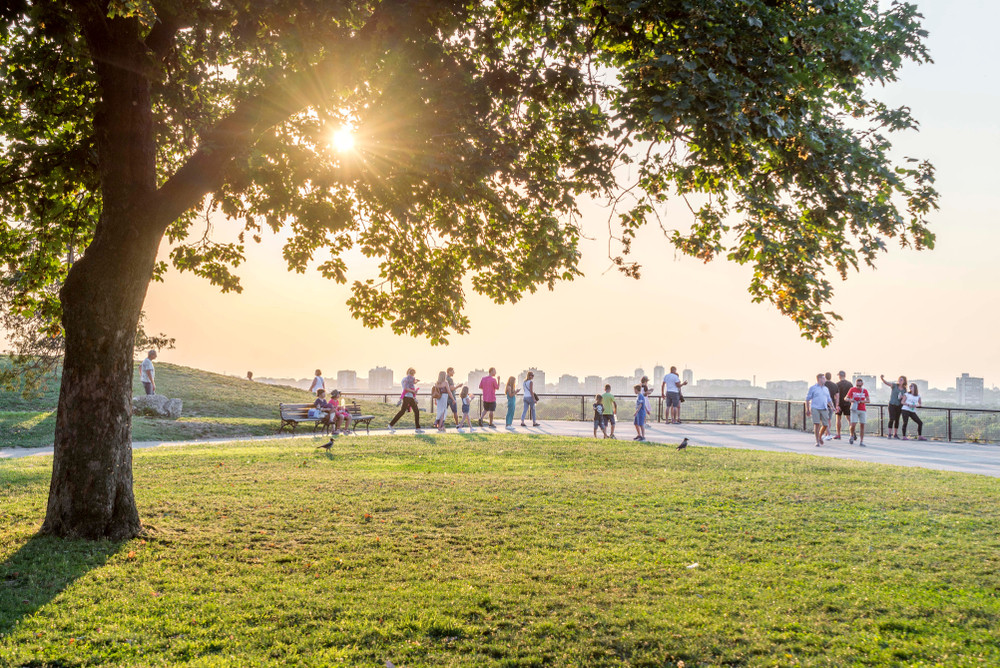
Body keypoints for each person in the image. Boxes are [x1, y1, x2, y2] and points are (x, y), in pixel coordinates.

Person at [388, 368, 423, 433]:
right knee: (402, 412)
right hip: (406, 397)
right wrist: (413, 391)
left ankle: (418, 428)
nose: (413, 375)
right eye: (412, 373)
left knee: (416, 411)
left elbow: (412, 384)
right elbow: (405, 388)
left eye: (413, 374)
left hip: (411, 397)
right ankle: (390, 425)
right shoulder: (405, 379)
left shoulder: (411, 379)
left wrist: (416, 382)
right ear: (409, 372)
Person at [805, 373, 834, 447]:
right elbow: (807, 399)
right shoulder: (813, 388)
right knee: (817, 424)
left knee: (825, 424)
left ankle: (820, 436)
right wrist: (807, 409)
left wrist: (832, 407)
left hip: (824, 408)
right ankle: (817, 441)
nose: (825, 380)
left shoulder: (826, 389)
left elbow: (829, 399)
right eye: (823, 378)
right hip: (815, 408)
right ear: (819, 379)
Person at [880, 374, 907, 439]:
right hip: (892, 404)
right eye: (899, 379)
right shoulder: (894, 385)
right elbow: (887, 383)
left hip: (899, 405)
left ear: (904, 381)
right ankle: (889, 434)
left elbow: (905, 398)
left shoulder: (904, 390)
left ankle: (895, 434)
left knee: (897, 419)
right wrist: (882, 379)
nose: (900, 381)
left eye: (901, 380)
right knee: (891, 418)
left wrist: (902, 397)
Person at [845, 377, 870, 446]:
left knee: (862, 425)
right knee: (853, 424)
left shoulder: (865, 391)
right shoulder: (852, 389)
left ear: (862, 384)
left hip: (862, 409)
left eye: (860, 385)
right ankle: (851, 435)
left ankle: (861, 441)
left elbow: (868, 400)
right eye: (857, 385)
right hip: (854, 409)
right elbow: (846, 398)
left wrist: (862, 401)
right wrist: (850, 400)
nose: (858, 386)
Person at [835, 371, 853, 440]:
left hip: (839, 403)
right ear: (845, 375)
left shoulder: (837, 384)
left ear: (839, 376)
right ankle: (852, 433)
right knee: (849, 419)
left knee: (838, 419)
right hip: (847, 403)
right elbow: (852, 394)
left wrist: (836, 404)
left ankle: (838, 434)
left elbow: (836, 395)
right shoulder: (849, 384)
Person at [822, 372, 839, 441]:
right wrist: (836, 405)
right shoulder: (834, 385)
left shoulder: (823, 384)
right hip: (832, 404)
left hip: (823, 404)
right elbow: (837, 396)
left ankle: (828, 434)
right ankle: (826, 434)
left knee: (824, 420)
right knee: (828, 419)